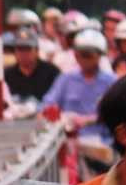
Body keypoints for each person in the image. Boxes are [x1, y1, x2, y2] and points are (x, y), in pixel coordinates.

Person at [46, 27, 118, 170]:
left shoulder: (111, 81)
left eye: (88, 55)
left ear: (99, 56)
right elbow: (48, 105)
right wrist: (65, 118)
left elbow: (119, 111)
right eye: (80, 55)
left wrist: (91, 119)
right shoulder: (66, 79)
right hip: (70, 144)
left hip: (103, 145)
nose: (83, 59)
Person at [4, 30, 59, 113]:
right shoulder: (7, 74)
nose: (23, 54)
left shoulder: (51, 72)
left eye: (27, 49)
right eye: (20, 49)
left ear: (36, 51)